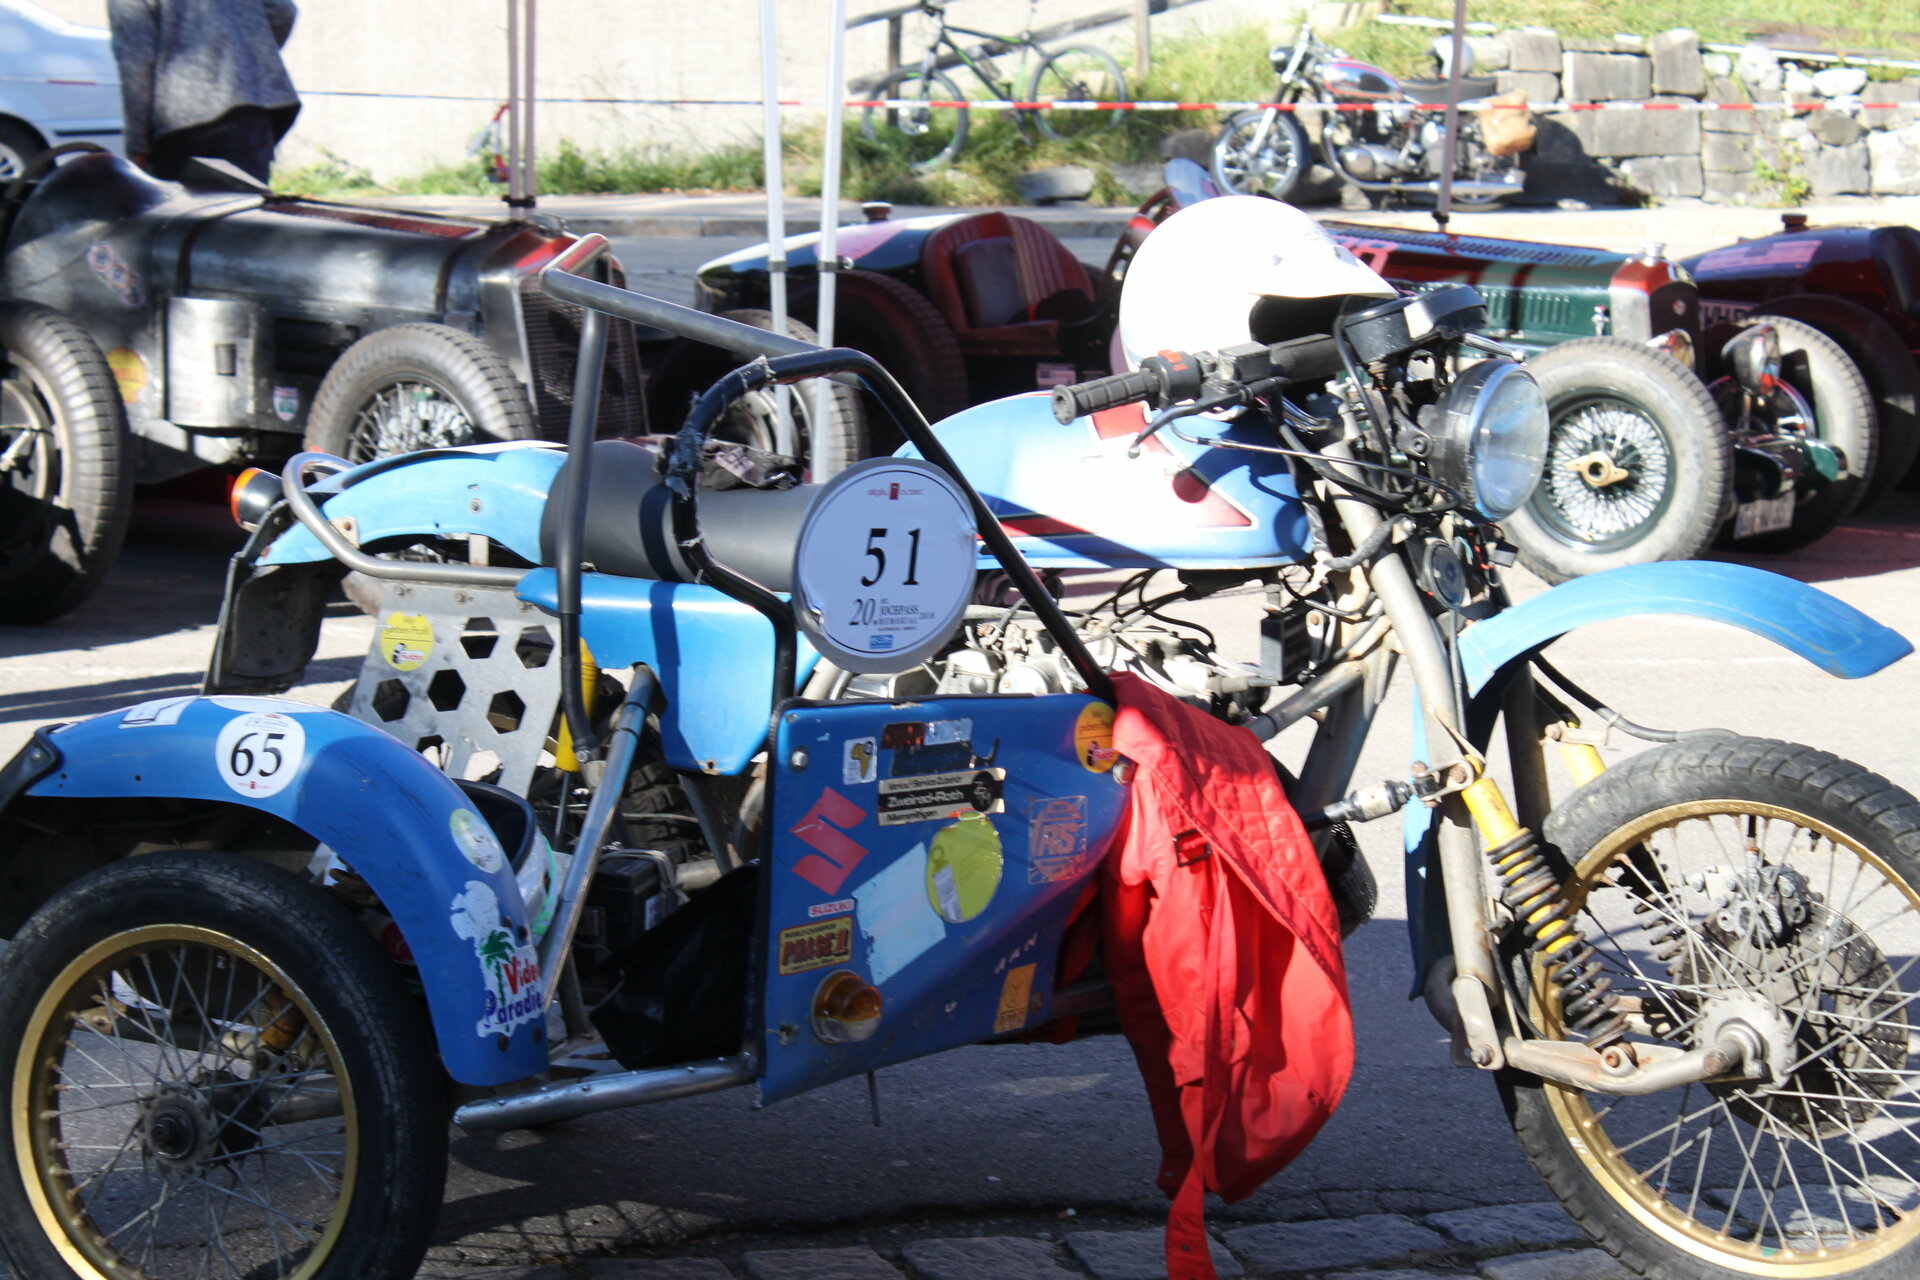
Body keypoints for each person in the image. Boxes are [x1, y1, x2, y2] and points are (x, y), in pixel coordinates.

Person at [108, 0, 300, 185]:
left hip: (182, 120)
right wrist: (252, 53)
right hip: (251, 109)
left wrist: (137, 147)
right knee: (247, 204)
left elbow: (136, 63)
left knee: (187, 207)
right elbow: (283, 10)